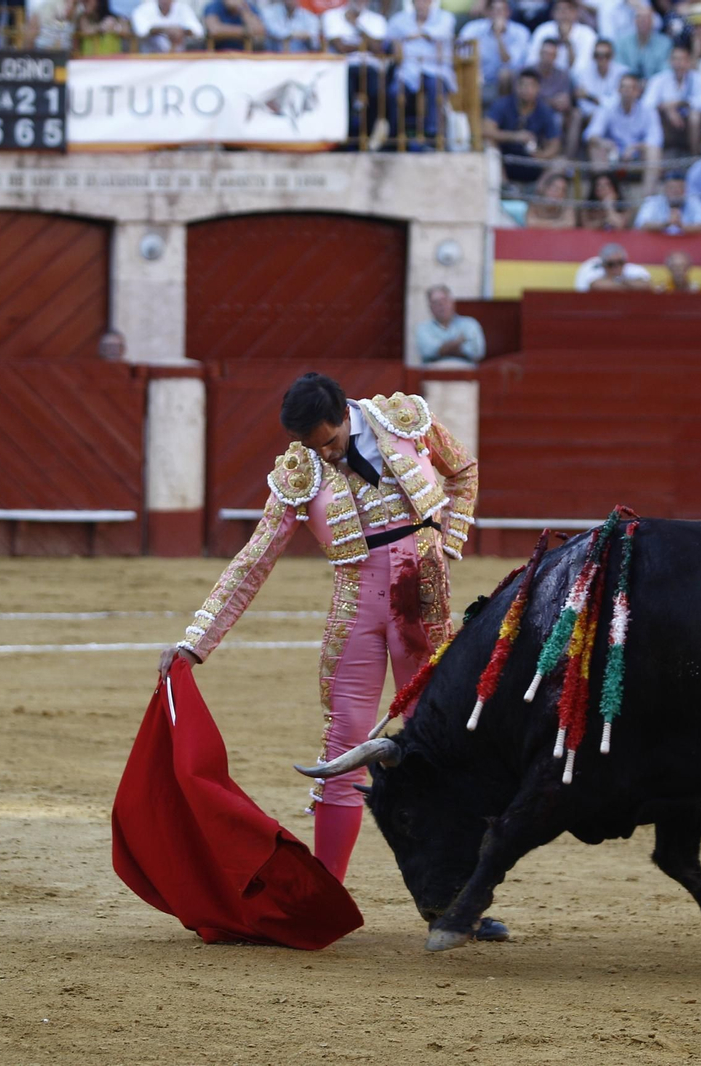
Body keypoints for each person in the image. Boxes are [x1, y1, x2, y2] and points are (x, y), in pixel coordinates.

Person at [157, 374, 482, 900]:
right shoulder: (298, 471)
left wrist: (449, 540)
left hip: (423, 605)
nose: (325, 455)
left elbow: (463, 470)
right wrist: (197, 640)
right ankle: (327, 897)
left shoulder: (405, 420)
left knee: (435, 746)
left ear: (344, 414)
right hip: (356, 607)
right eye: (312, 446)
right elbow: (254, 560)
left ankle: (458, 898)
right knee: (342, 749)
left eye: (329, 441)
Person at [387, 0, 456, 148]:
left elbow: (440, 33)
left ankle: (433, 137)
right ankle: (395, 137)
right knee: (394, 92)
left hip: (436, 70)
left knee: (435, 87)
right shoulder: (399, 20)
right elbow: (391, 39)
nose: (421, 4)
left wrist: (412, 36)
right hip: (408, 71)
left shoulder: (445, 17)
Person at [584, 71, 663, 192]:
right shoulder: (607, 107)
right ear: (618, 90)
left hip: (637, 155)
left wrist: (636, 147)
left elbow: (656, 139)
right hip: (612, 155)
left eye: (631, 88)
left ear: (638, 92)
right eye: (624, 87)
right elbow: (591, 134)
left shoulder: (648, 110)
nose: (627, 91)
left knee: (653, 151)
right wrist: (605, 143)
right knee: (595, 147)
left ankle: (647, 197)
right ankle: (605, 194)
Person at [325, 0, 389, 145]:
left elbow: (377, 48)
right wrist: (365, 44)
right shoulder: (332, 16)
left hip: (370, 67)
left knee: (377, 93)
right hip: (343, 67)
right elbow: (340, 47)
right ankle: (344, 138)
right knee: (342, 95)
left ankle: (365, 137)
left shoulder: (377, 19)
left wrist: (357, 26)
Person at [485, 67, 564, 183]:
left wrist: (542, 155)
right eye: (523, 85)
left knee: (560, 162)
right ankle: (504, 187)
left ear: (538, 88)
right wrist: (515, 136)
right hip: (505, 161)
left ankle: (538, 190)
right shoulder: (503, 104)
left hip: (533, 161)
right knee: (489, 145)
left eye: (531, 86)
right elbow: (486, 130)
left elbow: (555, 143)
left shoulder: (544, 110)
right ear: (516, 87)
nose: (526, 89)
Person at [645, 43, 701, 155]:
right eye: (675, 59)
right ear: (669, 61)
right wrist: (666, 108)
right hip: (666, 122)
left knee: (695, 116)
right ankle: (660, 154)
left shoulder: (698, 79)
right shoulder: (659, 79)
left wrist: (680, 103)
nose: (678, 63)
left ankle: (694, 155)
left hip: (689, 122)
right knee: (653, 115)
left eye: (682, 59)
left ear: (689, 62)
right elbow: (647, 104)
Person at [461, 0, 533, 97]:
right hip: (479, 76)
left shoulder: (520, 32)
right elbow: (461, 52)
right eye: (494, 10)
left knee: (505, 74)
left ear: (508, 12)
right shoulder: (473, 28)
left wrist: (498, 36)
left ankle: (503, 106)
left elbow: (509, 62)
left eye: (501, 11)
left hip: (509, 80)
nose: (497, 14)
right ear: (488, 12)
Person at [415, 285, 487, 365]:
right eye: (435, 302)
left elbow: (477, 352)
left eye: (444, 300)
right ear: (430, 307)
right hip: (434, 371)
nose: (441, 305)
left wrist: (444, 349)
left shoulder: (470, 324)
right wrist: (457, 343)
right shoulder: (423, 328)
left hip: (465, 370)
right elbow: (427, 351)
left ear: (452, 303)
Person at [633, 171, 701, 234]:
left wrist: (680, 225)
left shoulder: (694, 201)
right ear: (665, 189)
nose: (675, 191)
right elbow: (642, 224)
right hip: (657, 244)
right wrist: (667, 224)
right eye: (671, 187)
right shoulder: (653, 202)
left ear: (685, 189)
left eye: (679, 188)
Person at [614, 3, 671, 80]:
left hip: (656, 84)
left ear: (653, 22)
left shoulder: (665, 43)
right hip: (628, 84)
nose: (643, 22)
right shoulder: (622, 43)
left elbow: (665, 71)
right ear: (634, 21)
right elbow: (619, 68)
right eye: (640, 18)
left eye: (647, 19)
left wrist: (650, 82)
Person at [575, 241, 653, 290]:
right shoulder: (591, 266)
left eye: (620, 262)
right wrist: (629, 285)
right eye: (611, 264)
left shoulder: (633, 269)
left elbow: (647, 285)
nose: (616, 267)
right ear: (603, 264)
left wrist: (618, 282)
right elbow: (597, 286)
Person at [129, 0, 202, 51]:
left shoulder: (183, 8)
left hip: (180, 60)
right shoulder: (143, 9)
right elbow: (141, 32)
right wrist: (165, 30)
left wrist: (181, 31)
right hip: (150, 60)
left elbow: (199, 32)